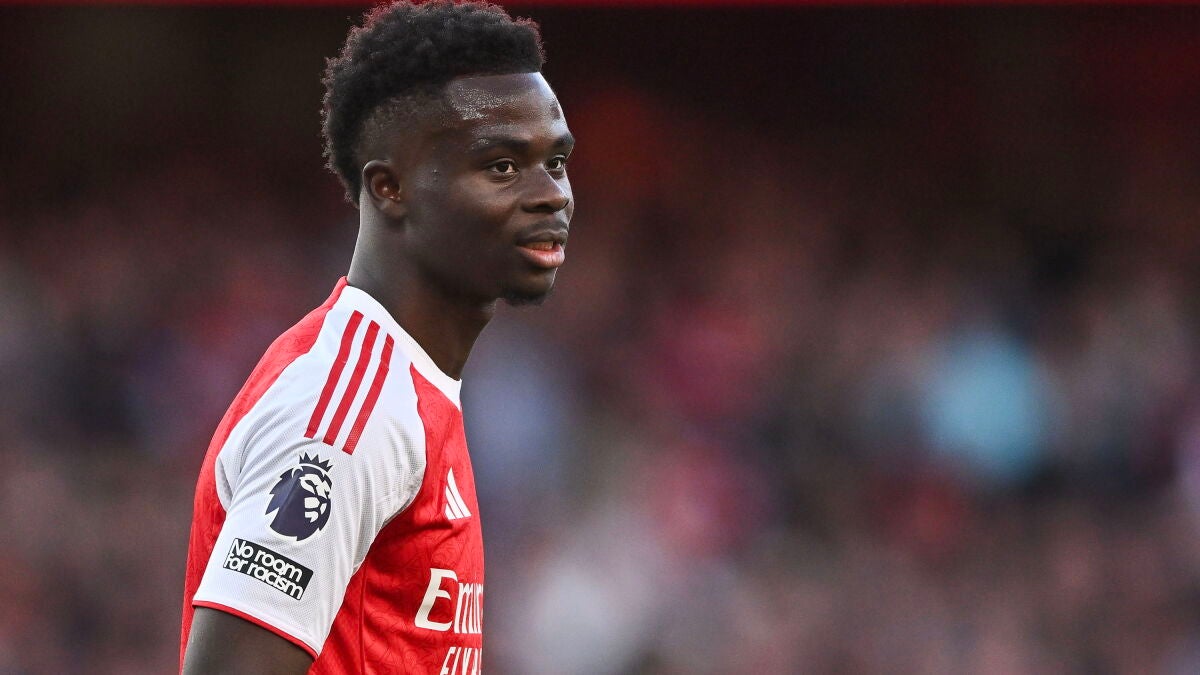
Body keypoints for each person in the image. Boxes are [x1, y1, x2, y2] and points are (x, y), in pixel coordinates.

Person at [178, 1, 574, 672]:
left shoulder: (410, 389)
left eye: (556, 161)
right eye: (503, 166)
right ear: (390, 188)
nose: (551, 194)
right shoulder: (348, 413)